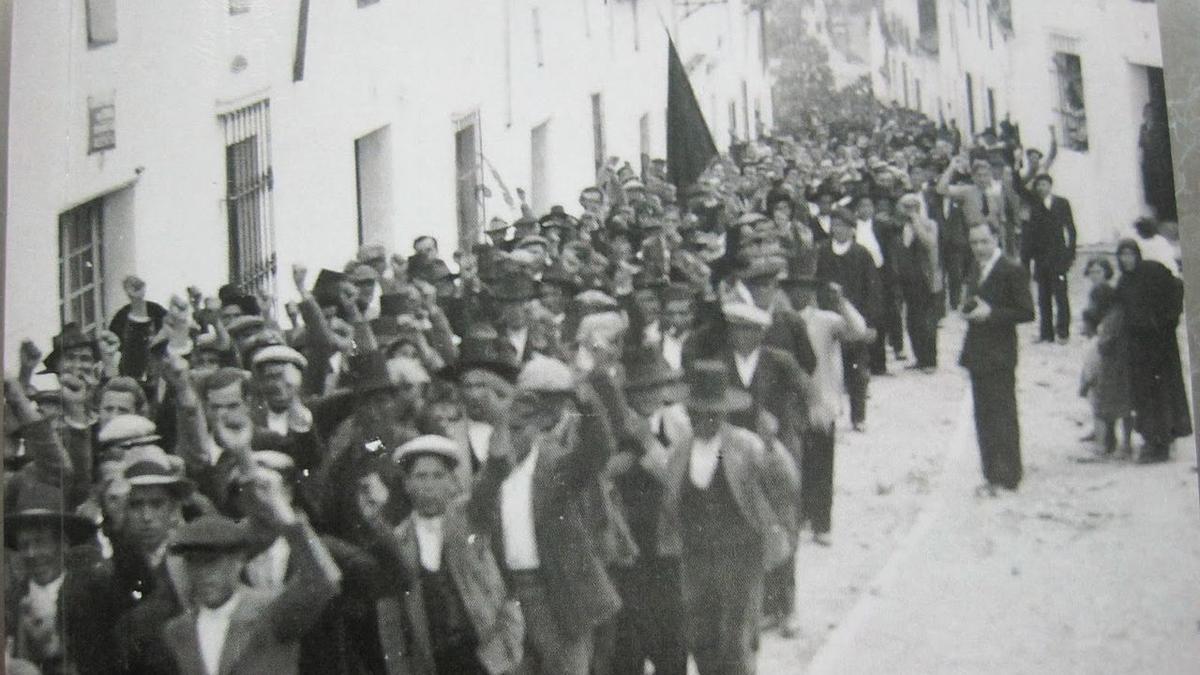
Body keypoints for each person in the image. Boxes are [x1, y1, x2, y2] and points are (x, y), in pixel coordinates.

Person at [467, 358, 620, 674]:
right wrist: (495, 468)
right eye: (508, 428)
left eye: (521, 428)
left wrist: (585, 400)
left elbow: (598, 449)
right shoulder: (490, 475)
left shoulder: (556, 464)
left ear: (538, 427)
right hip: (508, 596)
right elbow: (477, 514)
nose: (513, 436)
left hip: (556, 592)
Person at [654, 360, 798, 674]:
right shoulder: (680, 451)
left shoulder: (746, 445)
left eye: (711, 413)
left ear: (722, 413)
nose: (703, 419)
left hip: (740, 558)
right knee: (701, 637)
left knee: (736, 639)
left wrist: (773, 447)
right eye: (696, 412)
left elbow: (786, 484)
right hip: (696, 558)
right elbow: (670, 502)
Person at [161, 466, 342, 675]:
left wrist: (287, 519)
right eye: (195, 563)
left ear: (238, 561)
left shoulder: (270, 611)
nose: (205, 573)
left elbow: (323, 582)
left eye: (213, 562)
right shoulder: (177, 630)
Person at [368, 435, 524, 674]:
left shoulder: (468, 518)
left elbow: (491, 480)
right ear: (407, 484)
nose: (429, 485)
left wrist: (497, 453)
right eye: (421, 476)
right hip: (435, 665)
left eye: (438, 476)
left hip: (489, 658)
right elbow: (391, 623)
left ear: (452, 482)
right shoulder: (397, 541)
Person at [782, 260, 872, 546]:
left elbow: (859, 330)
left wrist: (842, 302)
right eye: (793, 288)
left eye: (804, 289)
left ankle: (821, 522)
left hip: (821, 398)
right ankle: (801, 516)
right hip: (790, 401)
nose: (798, 295)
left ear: (811, 292)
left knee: (821, 462)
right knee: (794, 462)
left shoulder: (825, 320)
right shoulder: (780, 319)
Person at [959, 222, 1034, 496]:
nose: (979, 248)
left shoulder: (1011, 269)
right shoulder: (975, 267)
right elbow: (973, 297)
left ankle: (1009, 475)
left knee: (1003, 414)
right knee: (983, 415)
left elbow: (1027, 312)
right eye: (974, 243)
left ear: (995, 239)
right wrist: (967, 308)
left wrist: (992, 314)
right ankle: (991, 474)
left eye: (983, 242)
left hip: (1000, 351)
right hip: (978, 350)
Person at [1114, 239, 1192, 463]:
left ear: (1137, 255)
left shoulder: (1152, 271)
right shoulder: (1124, 281)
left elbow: (1177, 287)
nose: (1126, 259)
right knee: (1144, 396)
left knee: (1161, 394)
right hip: (1138, 348)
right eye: (1122, 255)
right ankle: (1151, 440)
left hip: (1160, 345)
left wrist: (1168, 320)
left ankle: (1162, 445)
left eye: (1129, 254)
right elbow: (1118, 308)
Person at [817, 210, 882, 431]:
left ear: (852, 229)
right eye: (834, 225)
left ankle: (858, 416)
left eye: (843, 225)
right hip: (828, 318)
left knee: (857, 370)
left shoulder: (862, 254)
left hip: (856, 319)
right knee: (829, 369)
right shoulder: (822, 252)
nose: (838, 230)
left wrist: (872, 323)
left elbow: (873, 290)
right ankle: (830, 413)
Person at [1078, 257, 1132, 457]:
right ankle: (1109, 440)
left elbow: (1101, 334)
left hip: (1110, 357)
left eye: (1098, 271)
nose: (1094, 275)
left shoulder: (1107, 300)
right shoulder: (1102, 297)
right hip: (1105, 354)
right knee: (1107, 398)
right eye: (1091, 272)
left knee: (1107, 398)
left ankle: (1107, 443)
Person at [1014, 173, 1076, 344]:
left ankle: (1063, 332)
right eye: (1038, 185)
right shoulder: (1033, 205)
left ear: (1050, 185)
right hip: (1041, 259)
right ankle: (1046, 333)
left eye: (1044, 184)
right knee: (1043, 297)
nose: (1041, 188)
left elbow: (1071, 229)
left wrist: (1070, 255)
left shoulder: (1062, 203)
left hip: (1058, 258)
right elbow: (1018, 186)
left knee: (1061, 296)